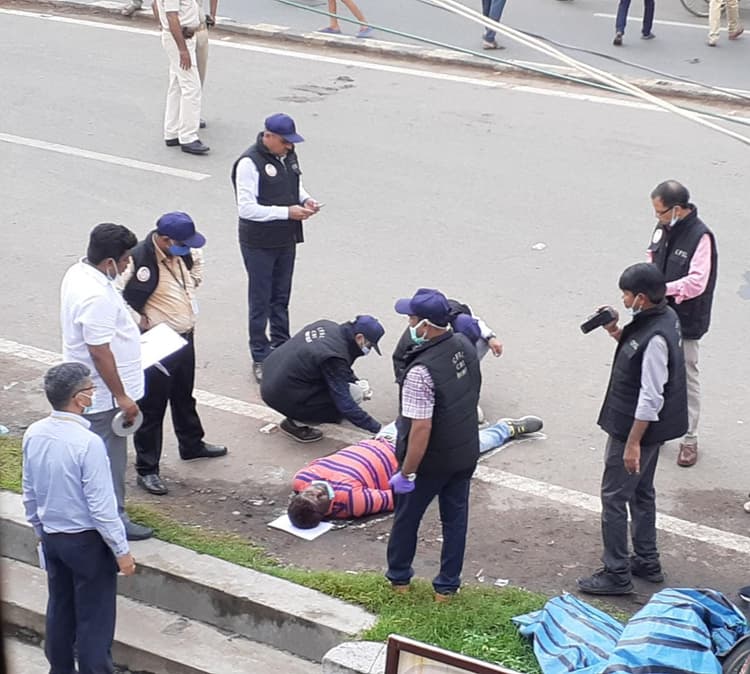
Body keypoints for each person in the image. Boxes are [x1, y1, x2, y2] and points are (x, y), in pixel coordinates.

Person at [577, 263, 687, 596]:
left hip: (635, 428)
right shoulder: (662, 318)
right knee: (641, 492)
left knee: (614, 498)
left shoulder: (656, 338)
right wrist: (614, 329)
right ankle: (647, 560)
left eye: (626, 294)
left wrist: (633, 443)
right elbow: (633, 347)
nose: (623, 300)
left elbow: (651, 395)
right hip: (652, 429)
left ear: (641, 297)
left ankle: (616, 573)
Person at [22, 363, 137, 674]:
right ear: (80, 399)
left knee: (60, 608)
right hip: (86, 543)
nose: (94, 393)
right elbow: (102, 507)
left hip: (52, 537)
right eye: (91, 389)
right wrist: (121, 551)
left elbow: (29, 491)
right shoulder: (88, 443)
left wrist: (40, 531)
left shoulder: (35, 433)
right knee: (94, 619)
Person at [385, 288, 482, 602]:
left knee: (407, 519)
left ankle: (399, 580)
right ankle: (447, 588)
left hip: (431, 461)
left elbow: (420, 428)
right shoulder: (464, 345)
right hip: (465, 451)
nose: (409, 324)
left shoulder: (420, 372)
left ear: (425, 325)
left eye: (412, 318)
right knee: (455, 521)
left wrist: (407, 473)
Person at [121, 212, 227, 496]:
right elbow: (115, 294)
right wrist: (136, 319)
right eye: (183, 244)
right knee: (152, 407)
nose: (188, 249)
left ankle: (191, 444)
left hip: (185, 336)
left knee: (183, 395)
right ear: (165, 240)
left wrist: (194, 270)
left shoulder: (184, 253)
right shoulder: (138, 259)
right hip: (158, 341)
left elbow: (194, 273)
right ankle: (147, 469)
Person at [60, 223, 153, 541]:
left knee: (96, 456)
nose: (128, 265)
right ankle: (113, 519)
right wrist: (122, 397)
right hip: (104, 396)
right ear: (110, 261)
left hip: (93, 389)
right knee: (108, 460)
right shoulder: (95, 295)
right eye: (125, 259)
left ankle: (96, 512)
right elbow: (99, 352)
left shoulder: (80, 272)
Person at [287, 415, 543, 527]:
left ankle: (461, 417)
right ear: (328, 511)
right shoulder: (352, 501)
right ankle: (505, 429)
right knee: (465, 448)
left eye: (309, 493)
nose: (316, 490)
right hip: (408, 455)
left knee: (422, 411)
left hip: (383, 439)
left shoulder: (302, 478)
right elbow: (396, 497)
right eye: (319, 498)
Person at [231, 113, 321, 384]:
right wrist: (287, 212)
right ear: (268, 137)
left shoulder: (288, 155)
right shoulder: (249, 163)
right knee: (261, 299)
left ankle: (281, 346)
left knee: (281, 297)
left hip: (286, 238)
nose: (289, 147)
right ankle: (260, 354)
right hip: (259, 242)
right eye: (285, 142)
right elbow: (247, 209)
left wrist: (306, 200)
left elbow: (294, 184)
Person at [647, 180, 717, 468]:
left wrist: (664, 289)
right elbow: (651, 257)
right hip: (658, 312)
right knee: (656, 371)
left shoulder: (701, 237)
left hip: (686, 318)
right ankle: (658, 426)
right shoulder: (663, 228)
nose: (657, 217)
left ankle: (690, 439)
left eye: (660, 212)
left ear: (677, 209)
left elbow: (697, 282)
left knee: (686, 376)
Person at [260, 315, 384, 442]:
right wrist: (378, 429)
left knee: (350, 387)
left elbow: (338, 371)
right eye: (369, 345)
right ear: (360, 338)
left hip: (273, 375)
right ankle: (295, 424)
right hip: (279, 395)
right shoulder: (333, 355)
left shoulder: (327, 326)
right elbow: (345, 403)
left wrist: (355, 380)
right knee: (355, 394)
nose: (368, 349)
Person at [393, 295, 502, 423]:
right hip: (414, 365)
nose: (409, 321)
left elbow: (476, 321)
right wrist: (409, 405)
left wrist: (490, 337)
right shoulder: (415, 340)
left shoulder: (459, 317)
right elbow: (400, 363)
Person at [156, 0, 209, 154]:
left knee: (177, 85)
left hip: (183, 36)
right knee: (191, 87)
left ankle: (172, 131)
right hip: (179, 39)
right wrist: (182, 50)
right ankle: (188, 136)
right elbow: (172, 16)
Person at [152, 0, 218, 120]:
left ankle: (177, 122)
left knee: (182, 82)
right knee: (191, 85)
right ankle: (188, 125)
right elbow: (166, 12)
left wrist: (213, 15)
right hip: (182, 34)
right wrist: (182, 49)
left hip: (197, 29)